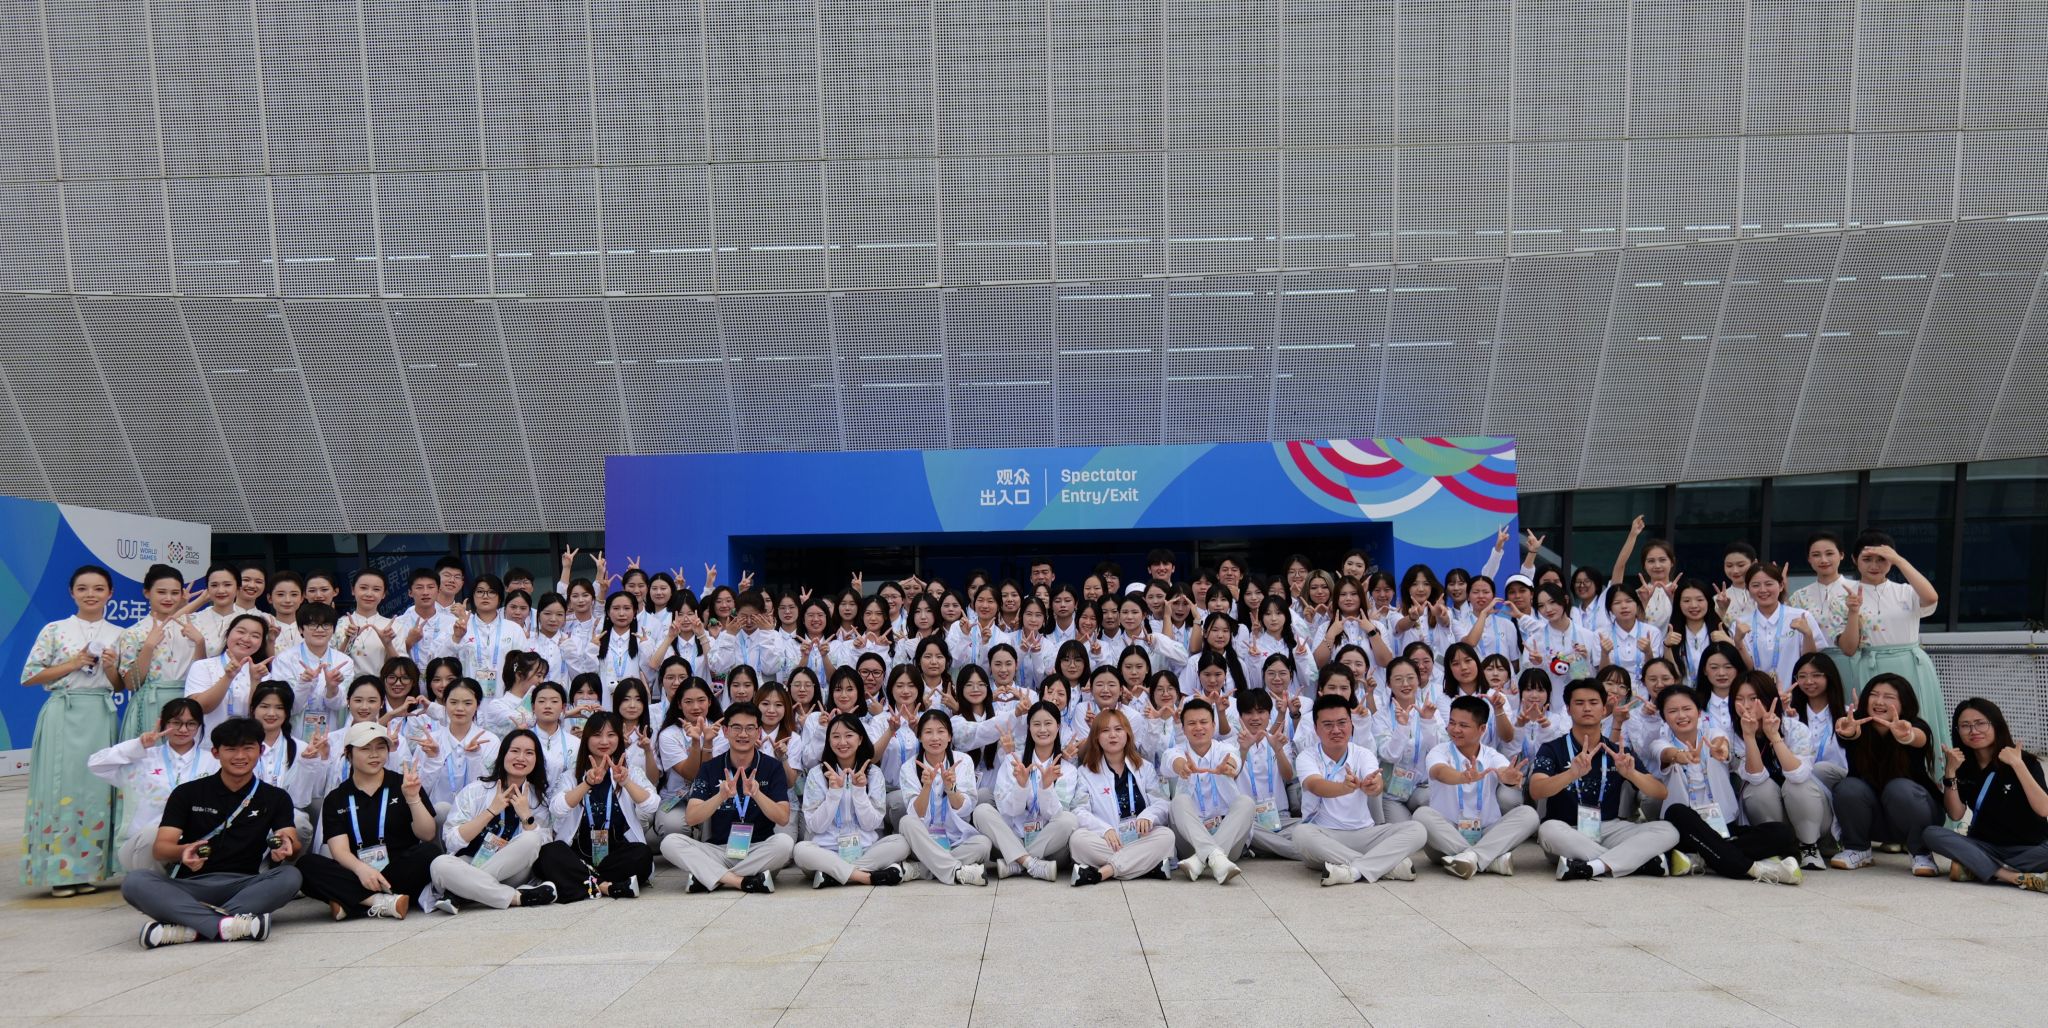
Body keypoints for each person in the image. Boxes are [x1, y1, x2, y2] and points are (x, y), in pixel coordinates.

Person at [119, 717, 303, 948]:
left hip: (245, 885)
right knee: (135, 881)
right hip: (190, 886)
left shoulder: (275, 797)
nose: (240, 756)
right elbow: (161, 849)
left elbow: (291, 842)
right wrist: (184, 851)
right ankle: (228, 925)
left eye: (248, 748)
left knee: (290, 876)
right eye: (231, 749)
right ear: (215, 753)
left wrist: (287, 846)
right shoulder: (187, 793)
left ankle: (191, 927)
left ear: (261, 751)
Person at [20, 564, 127, 895]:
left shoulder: (120, 633)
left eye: (98, 588)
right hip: (63, 713)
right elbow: (29, 676)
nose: (90, 594)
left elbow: (121, 684)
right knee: (60, 788)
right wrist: (73, 663)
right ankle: (60, 872)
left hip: (101, 714)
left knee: (97, 788)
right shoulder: (55, 629)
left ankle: (90, 869)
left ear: (110, 593)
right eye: (83, 588)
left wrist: (111, 668)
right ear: (72, 592)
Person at [1532, 680, 1682, 880]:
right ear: (1568, 709)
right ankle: (1633, 862)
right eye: (1579, 703)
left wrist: (1631, 774)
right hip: (1568, 830)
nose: (1587, 708)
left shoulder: (1618, 752)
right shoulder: (1552, 748)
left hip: (1610, 828)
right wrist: (1571, 774)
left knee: (1668, 830)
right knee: (1548, 830)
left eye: (1593, 702)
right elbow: (1536, 790)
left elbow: (1660, 792)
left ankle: (1593, 866)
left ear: (1604, 709)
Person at [1652, 685, 1802, 885]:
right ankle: (1757, 869)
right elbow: (1666, 754)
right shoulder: (1659, 743)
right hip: (1686, 831)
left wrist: (1720, 749)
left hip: (1723, 826)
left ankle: (1701, 859)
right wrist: (1681, 756)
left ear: (1699, 711)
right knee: (1677, 811)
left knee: (1782, 832)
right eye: (1672, 711)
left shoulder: (1713, 733)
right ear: (1664, 717)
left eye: (1687, 708)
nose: (1681, 715)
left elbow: (1720, 742)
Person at [298, 721, 442, 919]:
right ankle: (379, 901)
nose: (374, 755)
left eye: (381, 748)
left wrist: (412, 798)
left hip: (399, 868)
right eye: (365, 749)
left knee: (430, 853)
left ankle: (352, 901)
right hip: (357, 871)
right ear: (348, 753)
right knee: (306, 865)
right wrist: (361, 869)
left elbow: (427, 834)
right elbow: (340, 851)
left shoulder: (404, 783)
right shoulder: (336, 797)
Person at [1292, 694, 1427, 885]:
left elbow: (1376, 782)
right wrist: (1344, 788)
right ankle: (1384, 866)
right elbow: (1315, 785)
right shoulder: (1307, 756)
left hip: (1365, 835)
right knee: (1301, 834)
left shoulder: (1363, 753)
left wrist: (1373, 785)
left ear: (1351, 724)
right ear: (1316, 728)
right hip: (1325, 836)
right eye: (1328, 725)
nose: (1336, 730)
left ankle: (1354, 870)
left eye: (1342, 723)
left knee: (1417, 829)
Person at [666, 701, 796, 892]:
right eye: (736, 728)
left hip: (758, 850)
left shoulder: (772, 767)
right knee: (670, 843)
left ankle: (712, 876)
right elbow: (692, 818)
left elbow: (783, 818)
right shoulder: (710, 768)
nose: (743, 734)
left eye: (750, 728)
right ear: (725, 731)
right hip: (719, 850)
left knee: (784, 844)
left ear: (758, 732)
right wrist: (720, 796)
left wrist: (757, 794)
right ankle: (742, 881)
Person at [1924, 699, 2048, 892]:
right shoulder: (1962, 766)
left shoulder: (2025, 761)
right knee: (1931, 833)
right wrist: (1950, 772)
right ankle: (2011, 876)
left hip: (2031, 847)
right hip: (1983, 845)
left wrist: (2018, 765)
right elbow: (1955, 814)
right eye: (1965, 726)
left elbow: (2043, 809)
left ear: (1996, 724)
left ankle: (1977, 867)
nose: (1973, 731)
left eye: (1980, 723)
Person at [429, 730, 560, 909]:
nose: (521, 758)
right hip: (469, 861)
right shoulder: (475, 791)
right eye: (515, 751)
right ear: (503, 754)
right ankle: (516, 897)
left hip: (511, 870)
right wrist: (491, 811)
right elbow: (452, 841)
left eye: (529, 753)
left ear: (536, 760)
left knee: (532, 838)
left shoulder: (538, 799)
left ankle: (460, 892)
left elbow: (542, 846)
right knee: (439, 864)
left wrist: (526, 817)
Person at [538, 712, 657, 899]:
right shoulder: (571, 776)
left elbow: (651, 805)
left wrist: (625, 782)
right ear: (586, 739)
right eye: (597, 735)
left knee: (642, 854)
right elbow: (557, 809)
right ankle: (606, 887)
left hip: (616, 856)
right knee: (549, 853)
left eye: (611, 735)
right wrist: (586, 783)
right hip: (578, 854)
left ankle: (582, 882)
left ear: (619, 738)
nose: (604, 741)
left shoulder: (630, 772)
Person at [1829, 673, 1941, 874]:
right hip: (1876, 820)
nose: (1879, 701)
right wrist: (1848, 732)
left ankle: (1921, 853)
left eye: (1889, 697)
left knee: (1899, 788)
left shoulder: (1914, 725)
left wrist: (1907, 735)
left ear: (1904, 702)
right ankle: (1858, 849)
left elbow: (1919, 738)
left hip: (1919, 814)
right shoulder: (1856, 725)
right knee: (1848, 787)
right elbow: (1849, 734)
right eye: (1874, 694)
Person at [90, 698, 219, 871]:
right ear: (162, 723)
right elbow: (96, 764)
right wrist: (138, 745)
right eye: (176, 723)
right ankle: (151, 885)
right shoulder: (142, 758)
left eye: (191, 724)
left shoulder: (213, 762)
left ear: (199, 725)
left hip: (195, 842)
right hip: (142, 844)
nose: (183, 729)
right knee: (153, 835)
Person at [1416, 696, 1537, 878]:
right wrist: (1462, 777)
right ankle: (1487, 859)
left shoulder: (1491, 755)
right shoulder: (1439, 751)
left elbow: (1503, 771)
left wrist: (1508, 777)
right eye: (1452, 723)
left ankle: (1470, 858)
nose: (1455, 729)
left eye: (1463, 725)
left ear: (1482, 729)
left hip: (1486, 833)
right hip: (1446, 838)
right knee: (1421, 815)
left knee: (1529, 815)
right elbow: (1439, 771)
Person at [793, 713, 910, 888]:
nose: (842, 742)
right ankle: (866, 877)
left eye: (849, 735)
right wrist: (833, 793)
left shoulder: (873, 773)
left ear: (860, 739)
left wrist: (859, 791)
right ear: (828, 740)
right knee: (801, 851)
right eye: (836, 736)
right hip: (827, 851)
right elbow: (816, 826)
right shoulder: (817, 774)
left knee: (901, 843)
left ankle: (834, 875)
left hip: (865, 849)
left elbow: (871, 824)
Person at [1840, 530, 1945, 723]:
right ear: (1854, 559)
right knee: (1876, 722)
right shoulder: (1845, 595)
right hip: (1872, 667)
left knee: (1917, 719)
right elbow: (1848, 649)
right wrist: (1853, 611)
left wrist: (1900, 561)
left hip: (1911, 665)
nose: (1874, 566)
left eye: (1882, 559)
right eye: (1867, 559)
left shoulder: (1906, 591)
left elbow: (1931, 597)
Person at [1067, 708, 1178, 885]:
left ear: (1127, 734)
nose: (1113, 735)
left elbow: (1162, 803)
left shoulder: (1145, 767)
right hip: (1108, 842)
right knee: (1078, 840)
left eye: (1118, 729)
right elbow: (1079, 810)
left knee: (1166, 836)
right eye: (1105, 730)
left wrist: (1148, 815)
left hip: (1141, 838)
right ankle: (1146, 866)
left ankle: (1103, 872)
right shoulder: (1086, 772)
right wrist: (1104, 829)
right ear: (1096, 737)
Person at [975, 700, 1078, 881]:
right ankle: (1030, 863)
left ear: (1058, 726)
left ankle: (1016, 863)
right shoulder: (1014, 761)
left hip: (1048, 844)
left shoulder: (1067, 769)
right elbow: (1009, 811)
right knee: (981, 811)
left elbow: (1055, 815)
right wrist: (1021, 786)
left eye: (1048, 723)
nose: (1042, 729)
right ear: (1029, 728)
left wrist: (1046, 787)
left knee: (1068, 819)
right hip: (1012, 837)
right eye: (1036, 724)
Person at [895, 709, 992, 886]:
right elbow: (916, 814)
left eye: (941, 731)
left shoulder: (963, 761)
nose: (935, 738)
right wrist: (926, 787)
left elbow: (966, 809)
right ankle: (956, 871)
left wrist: (951, 788)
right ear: (919, 737)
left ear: (949, 737)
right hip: (923, 842)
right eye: (928, 732)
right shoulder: (909, 767)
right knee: (906, 822)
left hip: (956, 840)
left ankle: (921, 869)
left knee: (983, 844)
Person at [114, 564, 209, 741]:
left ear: (182, 595)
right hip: (151, 706)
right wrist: (148, 647)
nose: (168, 598)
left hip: (189, 703)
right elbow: (131, 684)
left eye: (174, 593)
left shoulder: (196, 626)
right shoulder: (134, 632)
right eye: (161, 592)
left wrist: (200, 642)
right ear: (146, 593)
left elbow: (203, 673)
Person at [1164, 698, 1249, 884]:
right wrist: (1184, 767)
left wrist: (1228, 767)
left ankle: (1200, 861)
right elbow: (1172, 762)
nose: (1198, 727)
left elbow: (1233, 759)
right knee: (1179, 801)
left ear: (1213, 725)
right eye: (1191, 723)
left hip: (1229, 840)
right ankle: (1214, 858)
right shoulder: (1175, 751)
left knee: (1246, 802)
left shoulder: (1225, 749)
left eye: (1203, 722)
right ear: (1183, 728)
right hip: (1190, 843)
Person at [268, 602, 355, 741]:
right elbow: (286, 707)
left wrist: (332, 688)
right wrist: (304, 684)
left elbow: (340, 706)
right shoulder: (285, 659)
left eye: (326, 625)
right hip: (294, 737)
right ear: (301, 629)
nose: (320, 630)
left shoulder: (344, 661)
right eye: (313, 625)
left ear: (333, 629)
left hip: (333, 737)